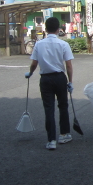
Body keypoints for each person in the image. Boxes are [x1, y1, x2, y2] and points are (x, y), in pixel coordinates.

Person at [25, 17, 74, 150]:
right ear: (59, 30)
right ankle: (64, 134)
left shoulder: (39, 44)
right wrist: (70, 82)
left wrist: (30, 73)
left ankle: (51, 140)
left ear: (45, 30)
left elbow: (34, 63)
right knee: (63, 106)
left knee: (49, 109)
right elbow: (68, 65)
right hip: (59, 78)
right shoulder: (63, 44)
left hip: (45, 79)